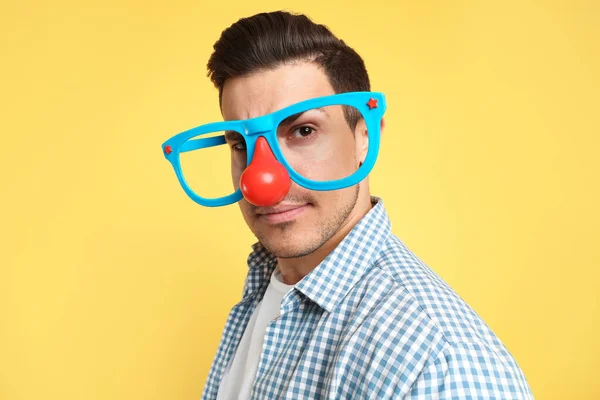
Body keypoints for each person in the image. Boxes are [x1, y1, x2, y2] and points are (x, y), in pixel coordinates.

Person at [161, 11, 533, 400]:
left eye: (303, 131)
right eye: (241, 144)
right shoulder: (264, 292)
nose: (262, 181)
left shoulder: (439, 365)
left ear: (365, 138)